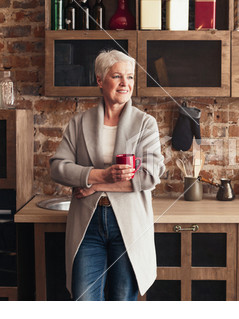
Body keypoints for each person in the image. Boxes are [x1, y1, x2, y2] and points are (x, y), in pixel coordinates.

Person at [50, 50, 165, 301]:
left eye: (130, 77)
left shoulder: (145, 123)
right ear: (100, 80)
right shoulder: (79, 123)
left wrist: (93, 185)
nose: (126, 84)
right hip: (87, 225)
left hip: (128, 224)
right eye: (117, 76)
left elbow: (149, 176)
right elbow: (58, 167)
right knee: (84, 299)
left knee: (123, 301)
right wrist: (100, 175)